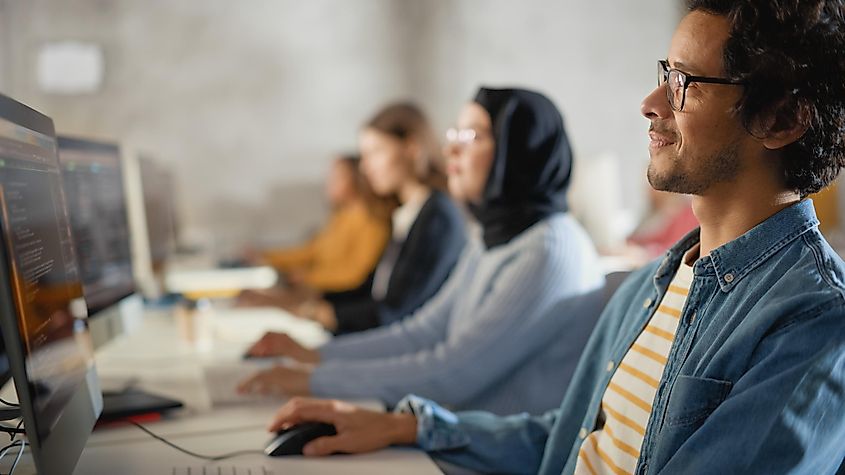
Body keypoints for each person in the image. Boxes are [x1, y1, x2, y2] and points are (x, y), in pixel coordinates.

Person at [257, 2, 845, 474]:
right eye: (663, 75)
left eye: (685, 82)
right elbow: (575, 435)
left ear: (782, 119)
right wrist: (410, 426)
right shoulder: (656, 282)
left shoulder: (815, 322)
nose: (649, 104)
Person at [239, 87, 605, 416]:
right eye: (454, 133)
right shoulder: (494, 236)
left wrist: (316, 379)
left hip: (488, 455)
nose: (451, 149)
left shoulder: (548, 250)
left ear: (520, 150)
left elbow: (454, 371)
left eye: (472, 135)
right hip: (451, 433)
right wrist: (316, 357)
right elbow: (423, 332)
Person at [293, 103, 467, 334]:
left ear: (411, 147)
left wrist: (313, 312)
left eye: (375, 152)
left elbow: (397, 311)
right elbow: (374, 290)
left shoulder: (438, 217)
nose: (365, 168)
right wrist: (308, 302)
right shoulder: (407, 212)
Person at [248, 155, 390, 293]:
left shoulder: (373, 222)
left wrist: (308, 277)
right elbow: (311, 252)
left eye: (336, 177)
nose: (329, 183)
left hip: (343, 298)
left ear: (357, 178)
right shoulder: (341, 217)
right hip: (319, 288)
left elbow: (355, 273)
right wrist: (266, 256)